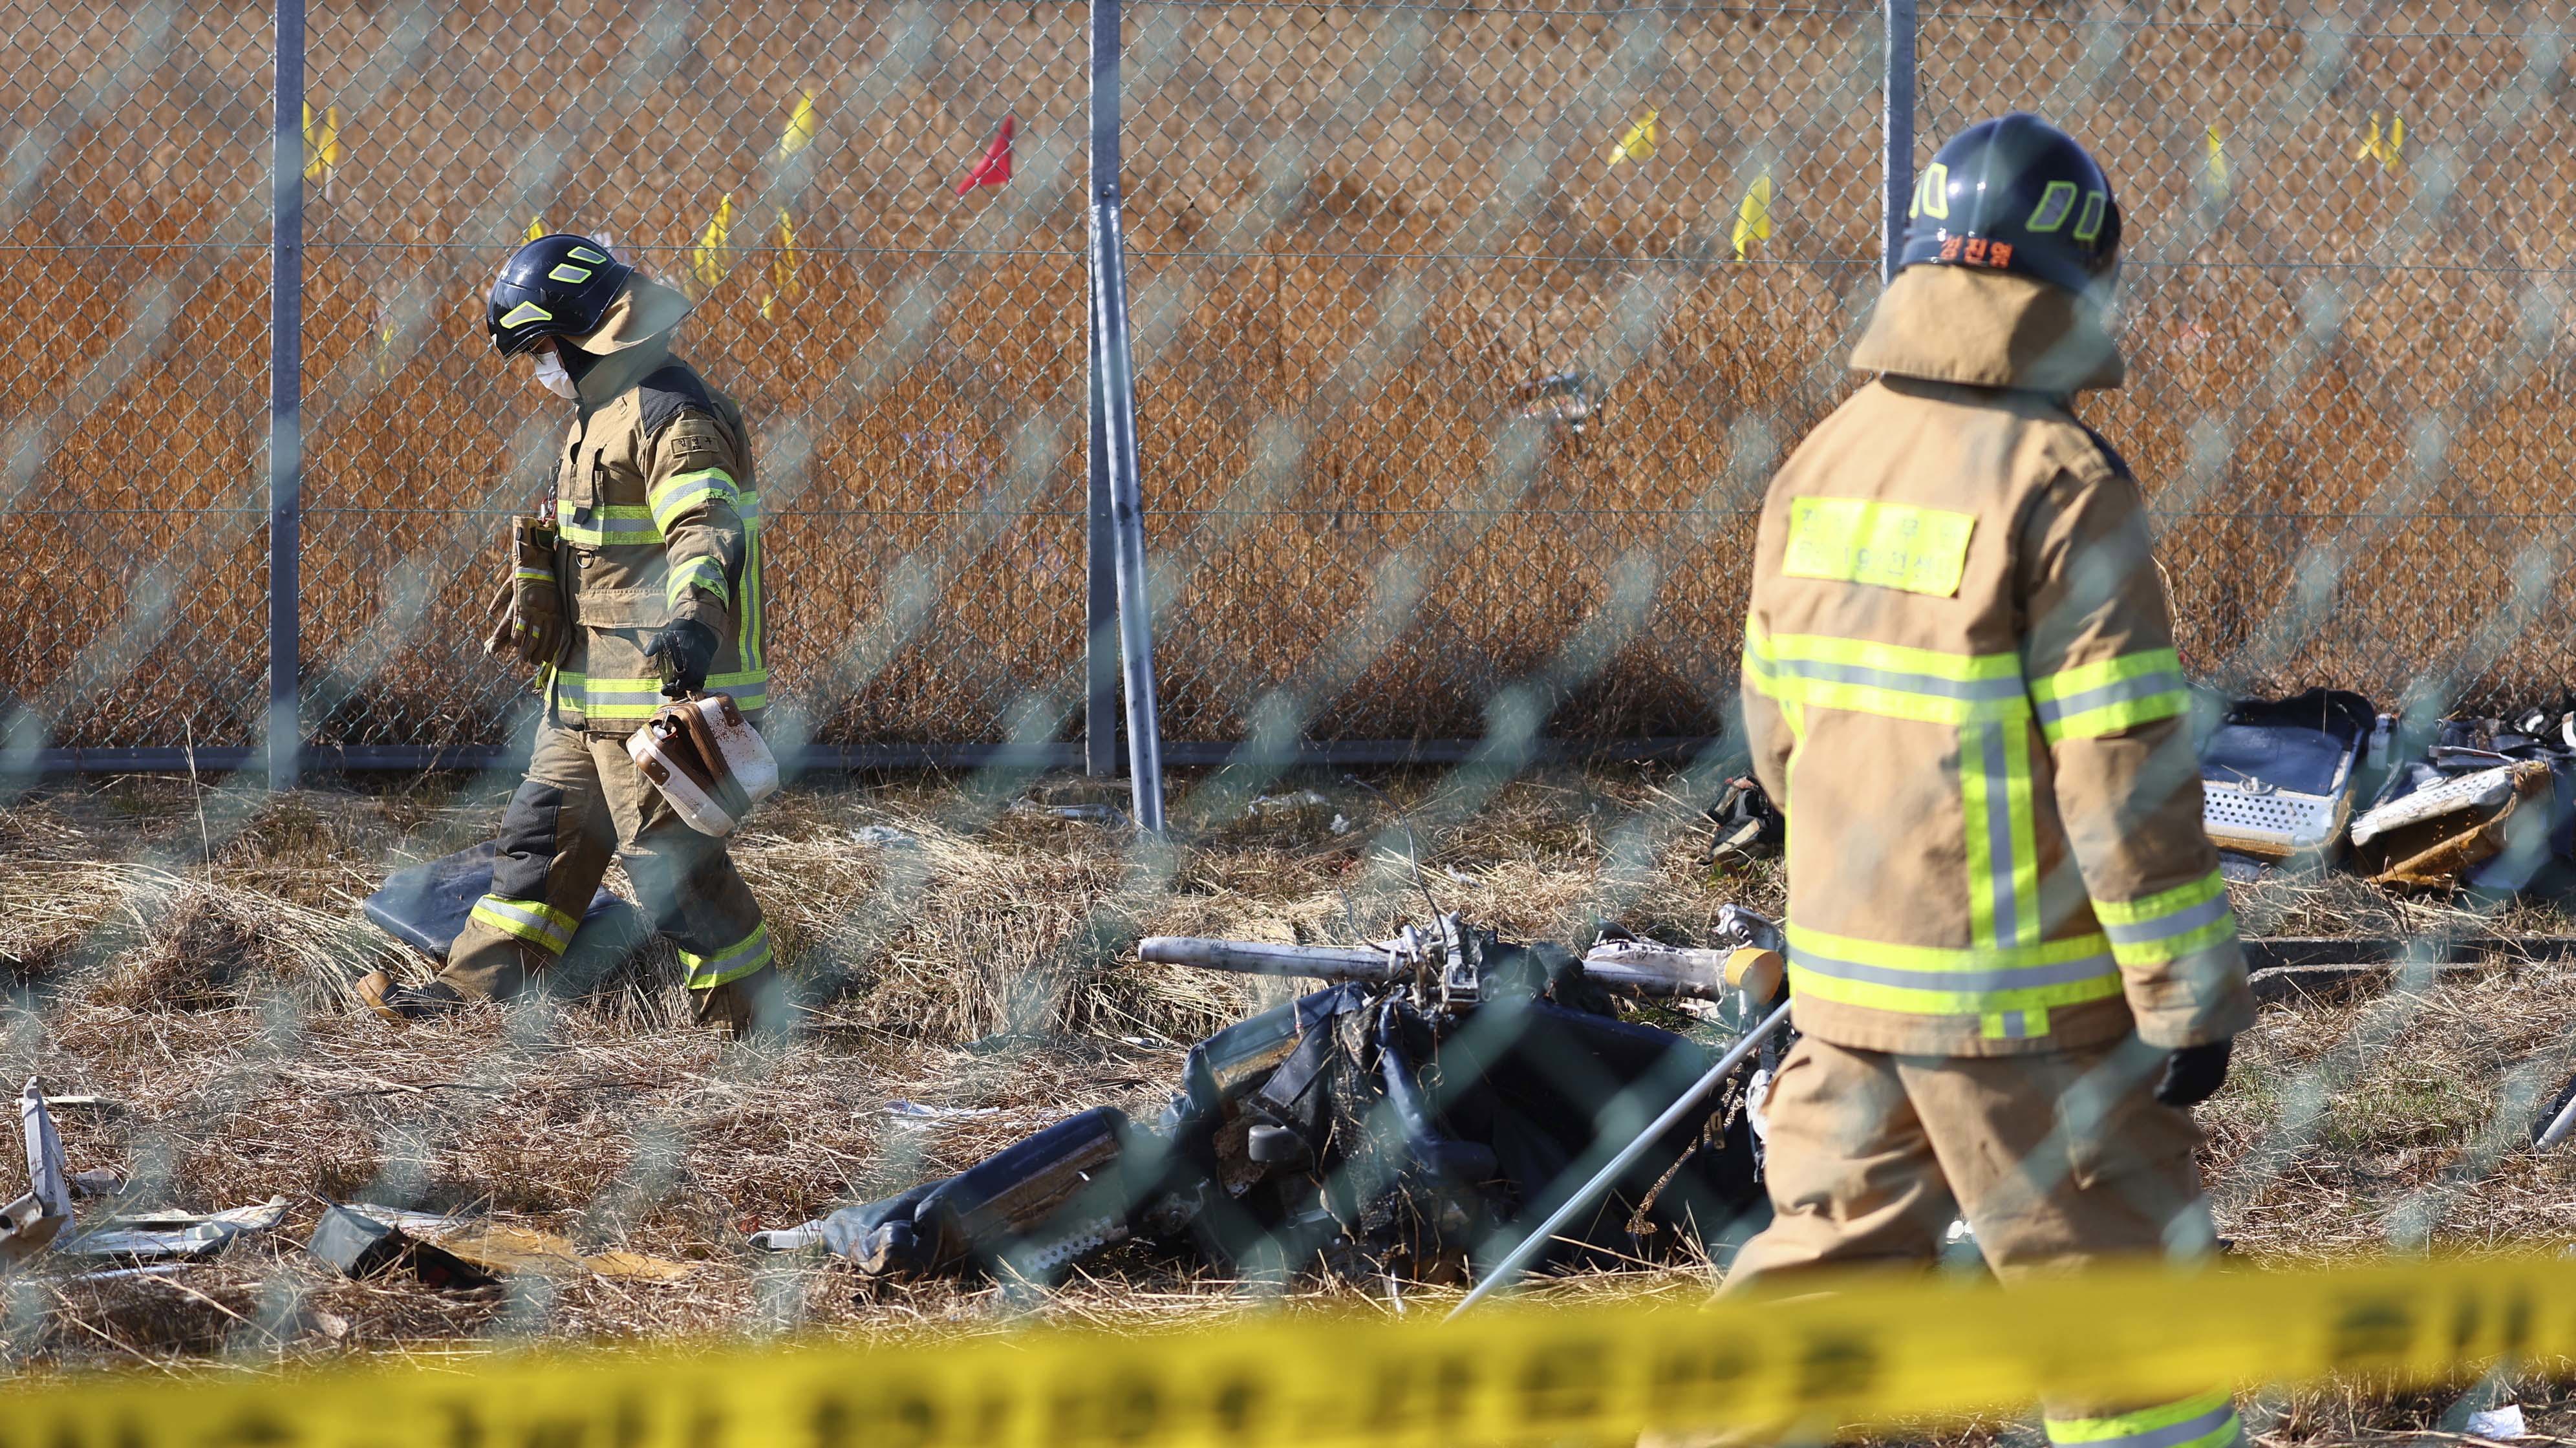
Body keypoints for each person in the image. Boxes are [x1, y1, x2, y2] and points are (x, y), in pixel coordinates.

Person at [1726, 114, 2254, 1448]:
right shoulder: (2061, 484)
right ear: (2072, 283)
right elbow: (2120, 770)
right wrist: (2184, 997)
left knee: (1811, 1292)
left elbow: (1776, 740)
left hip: (1849, 991)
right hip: (2032, 1019)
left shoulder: (1821, 460)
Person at [358, 233, 782, 1038]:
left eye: (543, 349)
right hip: (585, 692)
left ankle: (752, 1027)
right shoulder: (602, 411)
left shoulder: (671, 412)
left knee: (672, 870)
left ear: (583, 332)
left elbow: (704, 527)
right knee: (537, 846)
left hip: (657, 692)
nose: (541, 368)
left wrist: (693, 620)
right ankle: (469, 996)